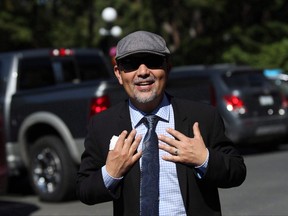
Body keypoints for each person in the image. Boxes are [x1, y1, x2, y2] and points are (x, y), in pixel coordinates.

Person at [76, 30, 246, 216]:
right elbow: (84, 190)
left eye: (153, 62)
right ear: (118, 73)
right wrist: (110, 173)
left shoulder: (202, 116)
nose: (143, 72)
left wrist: (204, 159)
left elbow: (237, 172)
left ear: (168, 67)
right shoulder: (102, 125)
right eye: (131, 64)